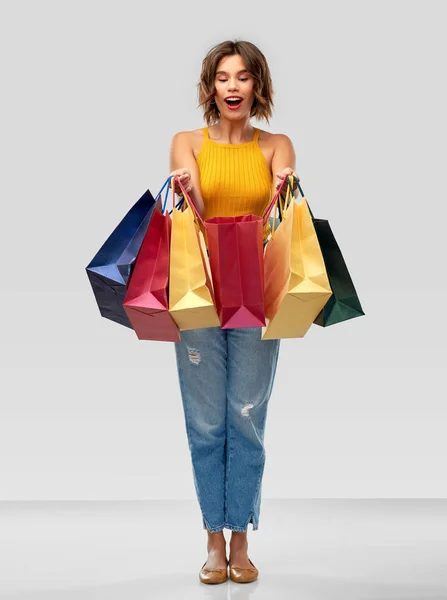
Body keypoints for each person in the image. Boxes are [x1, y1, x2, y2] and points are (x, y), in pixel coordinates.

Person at [168, 39, 299, 584]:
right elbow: (192, 204)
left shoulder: (277, 145)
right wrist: (185, 189)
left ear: (257, 86)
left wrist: (284, 186)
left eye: (243, 77)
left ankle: (241, 537)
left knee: (246, 416)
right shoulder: (185, 143)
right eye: (223, 77)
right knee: (205, 421)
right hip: (198, 290)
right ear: (210, 88)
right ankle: (212, 540)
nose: (233, 87)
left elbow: (280, 205)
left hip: (255, 291)